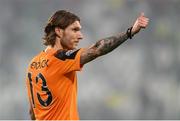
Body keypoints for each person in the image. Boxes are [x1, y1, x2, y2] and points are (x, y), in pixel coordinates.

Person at [26, 10, 149, 120]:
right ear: (58, 31)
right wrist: (130, 32)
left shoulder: (33, 64)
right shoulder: (60, 58)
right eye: (74, 30)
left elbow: (33, 111)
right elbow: (97, 49)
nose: (80, 36)